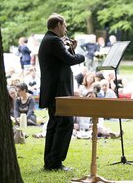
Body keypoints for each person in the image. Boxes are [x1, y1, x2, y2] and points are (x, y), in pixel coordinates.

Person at [38, 13, 85, 171]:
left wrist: (71, 49)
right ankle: (55, 162)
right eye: (64, 25)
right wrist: (81, 56)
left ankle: (50, 161)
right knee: (65, 123)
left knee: (55, 124)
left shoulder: (49, 40)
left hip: (53, 90)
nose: (65, 29)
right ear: (58, 25)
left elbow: (63, 58)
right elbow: (70, 60)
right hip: (58, 90)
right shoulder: (54, 40)